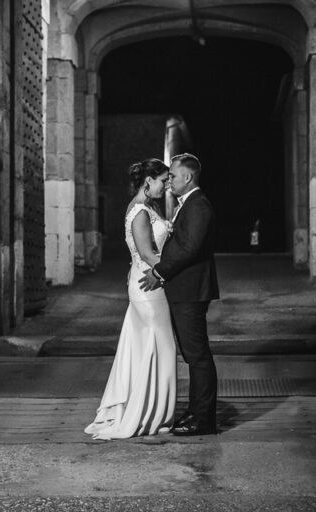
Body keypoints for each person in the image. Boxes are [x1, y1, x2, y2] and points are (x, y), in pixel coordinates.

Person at [84, 158, 176, 440]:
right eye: (163, 180)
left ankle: (151, 410)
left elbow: (159, 237)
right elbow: (147, 254)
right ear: (148, 181)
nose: (167, 185)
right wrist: (176, 270)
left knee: (148, 347)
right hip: (148, 286)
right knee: (160, 346)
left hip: (150, 281)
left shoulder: (150, 207)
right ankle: (147, 413)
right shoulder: (138, 212)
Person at [139, 153, 219, 436]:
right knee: (192, 355)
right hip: (184, 289)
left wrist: (159, 272)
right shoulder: (188, 204)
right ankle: (195, 411)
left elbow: (190, 249)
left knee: (197, 356)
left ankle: (204, 420)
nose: (170, 179)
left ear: (188, 177)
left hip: (191, 290)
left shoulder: (198, 206)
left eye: (173, 175)